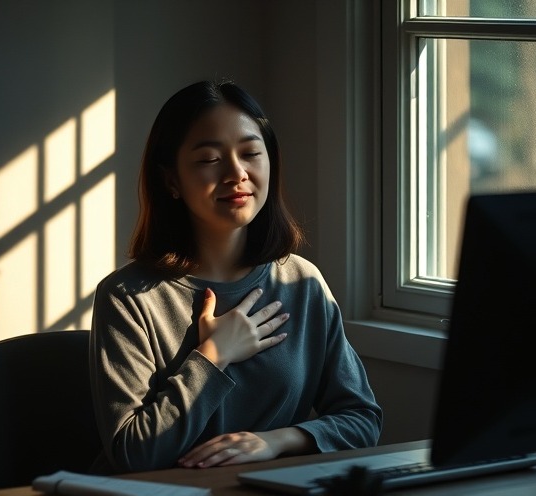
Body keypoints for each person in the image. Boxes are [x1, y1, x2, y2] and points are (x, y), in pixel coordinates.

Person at [88, 79, 383, 474]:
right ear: (171, 179)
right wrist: (213, 356)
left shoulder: (302, 283)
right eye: (210, 159)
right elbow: (133, 453)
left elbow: (363, 420)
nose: (236, 173)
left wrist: (275, 442)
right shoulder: (128, 297)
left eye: (250, 153)